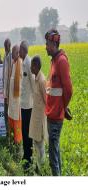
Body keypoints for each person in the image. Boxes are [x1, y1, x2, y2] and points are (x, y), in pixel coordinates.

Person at [45, 29, 72, 176]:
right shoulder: (53, 61)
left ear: (54, 44)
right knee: (55, 153)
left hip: (56, 115)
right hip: (51, 113)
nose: (46, 47)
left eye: (47, 44)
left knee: (53, 159)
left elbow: (68, 89)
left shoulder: (61, 61)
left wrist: (63, 106)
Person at [29, 55, 47, 173]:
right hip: (35, 116)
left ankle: (41, 167)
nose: (30, 68)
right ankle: (38, 165)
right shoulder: (36, 78)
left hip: (40, 118)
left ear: (35, 66)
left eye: (31, 65)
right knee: (35, 141)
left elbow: (47, 101)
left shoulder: (42, 80)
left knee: (40, 144)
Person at [19, 40, 34, 170]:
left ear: (24, 50)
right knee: (24, 131)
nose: (18, 52)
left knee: (27, 133)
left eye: (20, 50)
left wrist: (35, 103)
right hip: (23, 104)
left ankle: (29, 158)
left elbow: (33, 84)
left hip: (29, 105)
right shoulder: (23, 63)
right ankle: (25, 155)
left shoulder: (28, 63)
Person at [8, 45, 23, 145]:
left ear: (17, 53)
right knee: (11, 117)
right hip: (12, 99)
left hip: (18, 100)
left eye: (13, 52)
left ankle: (17, 142)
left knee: (17, 119)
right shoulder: (13, 64)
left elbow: (22, 82)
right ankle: (13, 139)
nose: (12, 54)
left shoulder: (20, 63)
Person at [3, 39, 12, 143]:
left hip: (10, 93)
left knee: (9, 114)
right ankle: (7, 134)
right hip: (5, 92)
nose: (6, 47)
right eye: (5, 46)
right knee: (5, 113)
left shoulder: (11, 57)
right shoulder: (5, 56)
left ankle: (10, 135)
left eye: (7, 46)